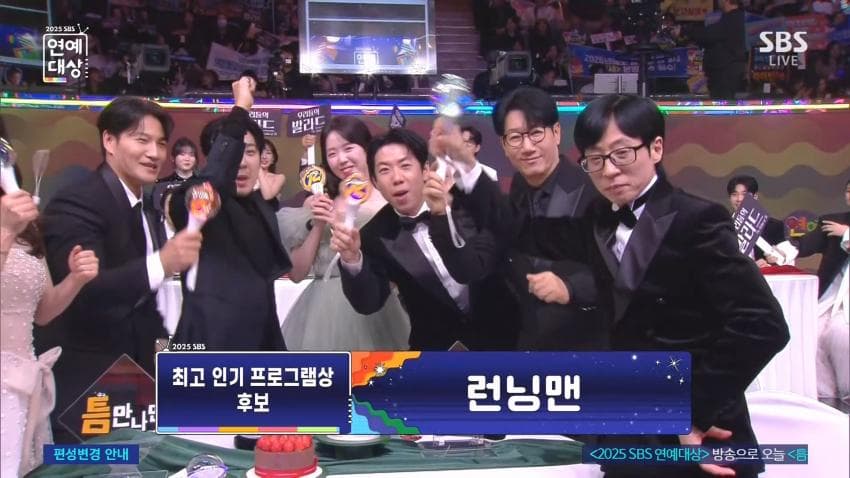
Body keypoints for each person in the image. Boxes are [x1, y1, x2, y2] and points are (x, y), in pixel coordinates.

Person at [534, 94, 789, 477]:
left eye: (622, 154)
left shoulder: (697, 219)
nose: (609, 171)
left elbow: (763, 325)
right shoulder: (597, 217)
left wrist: (692, 411)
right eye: (595, 159)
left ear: (656, 148)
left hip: (698, 430)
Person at [35, 96, 202, 443]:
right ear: (109, 141)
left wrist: (165, 357)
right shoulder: (77, 201)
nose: (154, 153)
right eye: (141, 140)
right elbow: (82, 291)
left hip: (135, 378)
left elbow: (141, 300)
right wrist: (162, 262)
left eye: (160, 143)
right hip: (87, 382)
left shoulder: (145, 206)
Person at [331, 128, 519, 350]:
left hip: (507, 339)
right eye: (384, 170)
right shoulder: (374, 235)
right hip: (435, 350)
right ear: (375, 182)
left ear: (425, 170)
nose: (397, 178)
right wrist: (352, 260)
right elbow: (368, 303)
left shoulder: (470, 205)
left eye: (405, 166)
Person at [445, 87, 603, 350]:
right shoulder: (517, 189)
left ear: (556, 133)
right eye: (516, 137)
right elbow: (476, 263)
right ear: (504, 145)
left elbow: (625, 267)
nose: (527, 147)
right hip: (529, 344)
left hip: (586, 348)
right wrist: (441, 214)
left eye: (536, 133)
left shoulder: (594, 189)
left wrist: (571, 288)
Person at [167, 77, 291, 351]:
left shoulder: (262, 206)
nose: (242, 163)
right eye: (235, 154)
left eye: (250, 152)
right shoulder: (193, 201)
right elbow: (208, 189)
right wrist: (241, 109)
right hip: (208, 349)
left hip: (261, 348)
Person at [277, 116, 410, 350]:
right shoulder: (317, 201)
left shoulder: (390, 199)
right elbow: (297, 273)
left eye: (348, 148)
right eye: (332, 153)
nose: (341, 159)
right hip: (319, 313)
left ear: (366, 147)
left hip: (377, 309)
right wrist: (318, 223)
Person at [1, 171, 99, 475]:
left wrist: (76, 278)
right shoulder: (10, 225)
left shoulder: (27, 227)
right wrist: (5, 231)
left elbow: (43, 312)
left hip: (26, 380)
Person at [789, 179, 849, 405]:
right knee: (810, 333)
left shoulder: (842, 228)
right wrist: (782, 250)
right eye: (849, 191)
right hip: (832, 298)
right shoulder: (834, 220)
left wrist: (847, 234)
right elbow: (803, 243)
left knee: (841, 334)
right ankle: (824, 397)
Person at [687, 0, 747, 99]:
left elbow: (709, 35)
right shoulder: (734, 17)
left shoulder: (732, 19)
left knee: (722, 102)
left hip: (725, 72)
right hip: (725, 70)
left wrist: (686, 31)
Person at [726, 175, 786, 266]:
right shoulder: (723, 226)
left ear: (755, 197)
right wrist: (752, 267)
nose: (739, 199)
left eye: (744, 194)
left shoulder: (774, 226)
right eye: (734, 194)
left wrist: (776, 260)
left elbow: (783, 262)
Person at [257, 140, 286, 209]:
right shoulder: (248, 177)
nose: (264, 157)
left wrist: (258, 169)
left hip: (268, 213)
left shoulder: (279, 177)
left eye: (268, 153)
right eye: (260, 152)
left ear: (273, 159)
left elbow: (267, 196)